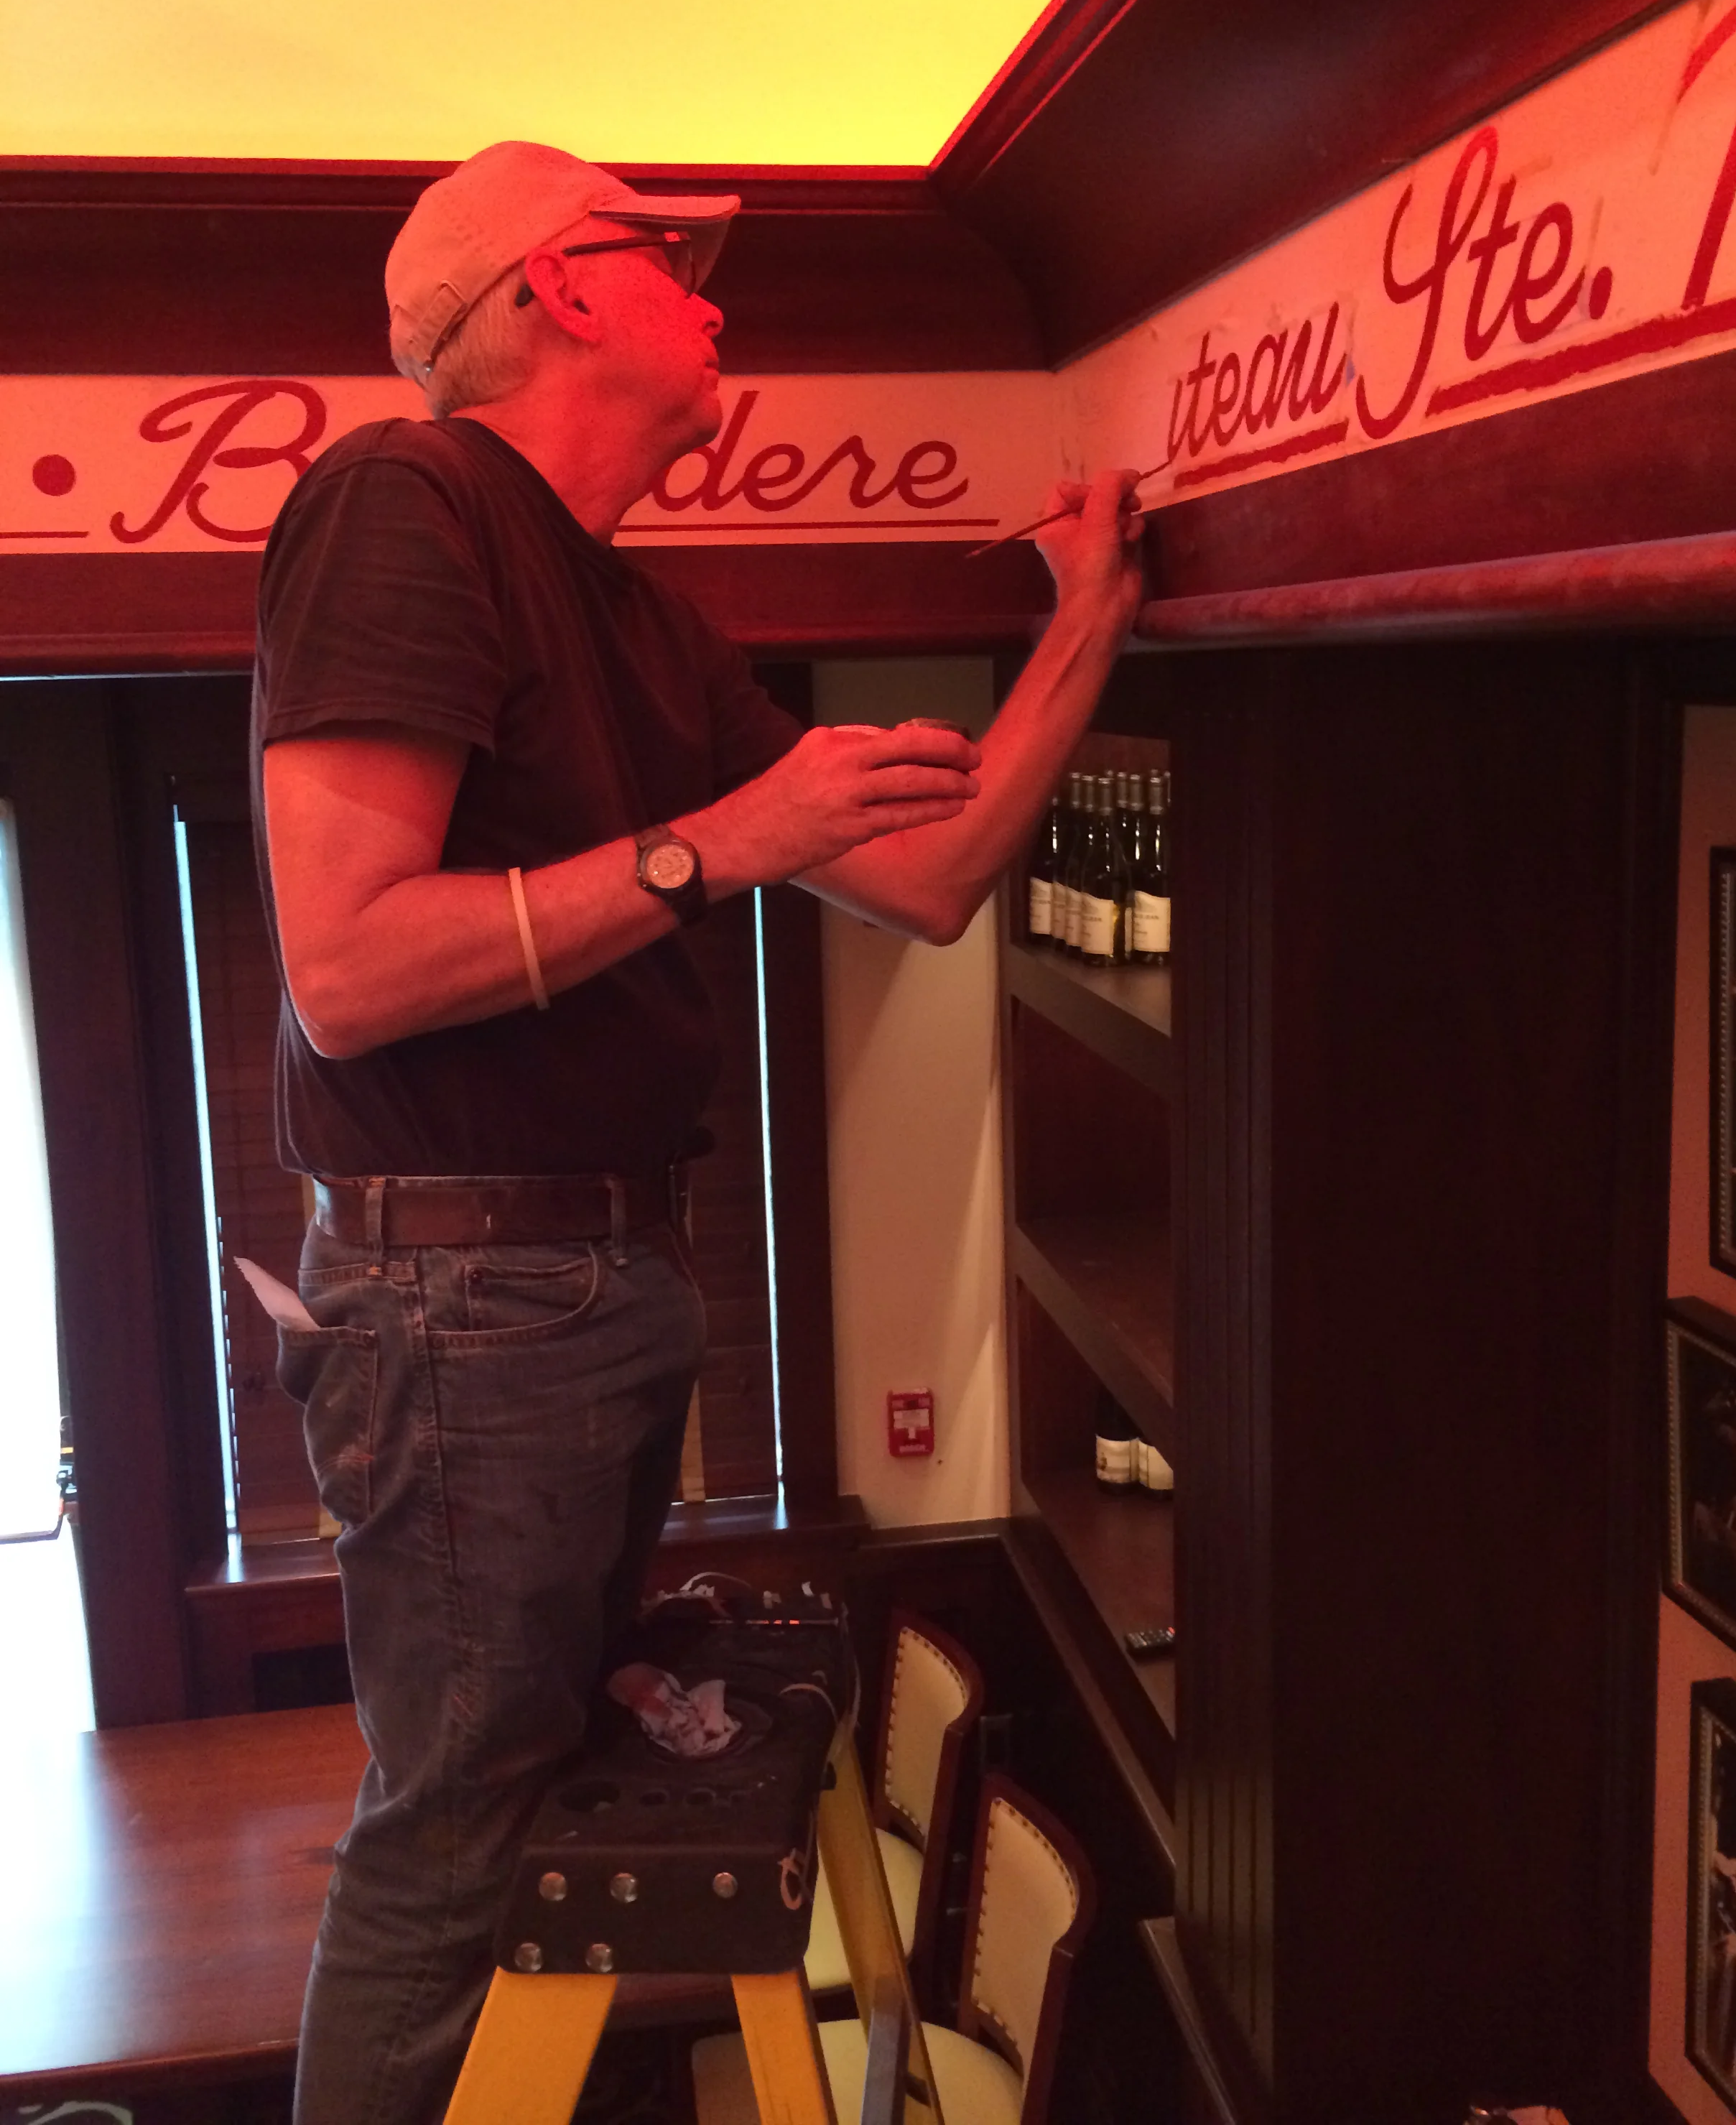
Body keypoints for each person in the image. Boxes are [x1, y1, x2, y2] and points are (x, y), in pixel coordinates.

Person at [251, 138, 1141, 2125]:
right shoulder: (403, 499)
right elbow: (350, 971)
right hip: (475, 1295)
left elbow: (930, 881)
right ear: (559, 291)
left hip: (587, 1281)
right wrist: (715, 844)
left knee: (496, 1800)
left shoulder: (645, 619)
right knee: (452, 1836)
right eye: (670, 259)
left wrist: (1088, 618)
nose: (715, 299)